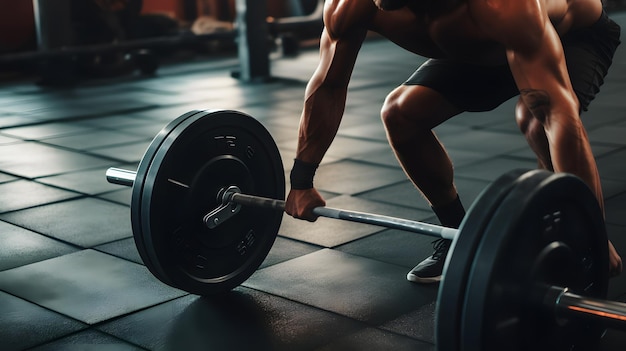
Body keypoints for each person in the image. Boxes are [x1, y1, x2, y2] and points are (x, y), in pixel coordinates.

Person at [284, 0, 623, 283]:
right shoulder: (351, 6)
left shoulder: (505, 6)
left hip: (573, 37)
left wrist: (591, 232)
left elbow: (557, 116)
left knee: (535, 119)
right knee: (400, 114)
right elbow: (328, 86)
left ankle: (570, 224)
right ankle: (455, 234)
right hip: (479, 48)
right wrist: (301, 181)